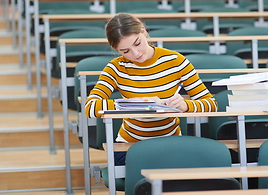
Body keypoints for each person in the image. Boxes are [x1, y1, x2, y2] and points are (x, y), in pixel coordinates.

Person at [85, 12, 218, 165]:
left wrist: (185, 105)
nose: (136, 54)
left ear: (143, 31)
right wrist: (131, 104)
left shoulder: (175, 61)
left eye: (137, 43)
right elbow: (90, 107)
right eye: (125, 51)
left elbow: (211, 105)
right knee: (148, 170)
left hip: (171, 144)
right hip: (129, 147)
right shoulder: (115, 68)